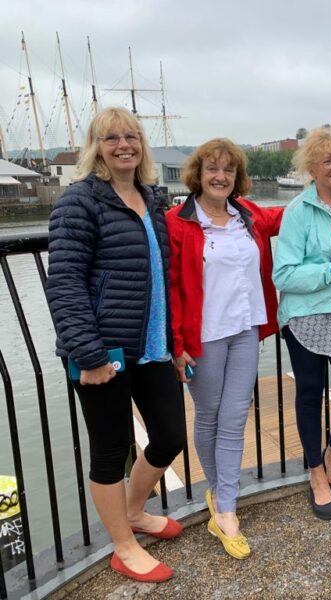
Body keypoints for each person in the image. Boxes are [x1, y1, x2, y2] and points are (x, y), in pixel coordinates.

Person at [46, 107, 184, 583]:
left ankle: (134, 512)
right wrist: (89, 354)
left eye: (131, 136)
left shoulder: (151, 197)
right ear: (97, 147)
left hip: (151, 347)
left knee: (170, 436)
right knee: (110, 449)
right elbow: (65, 282)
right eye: (111, 138)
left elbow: (160, 279)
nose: (124, 145)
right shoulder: (79, 202)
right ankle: (123, 547)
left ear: (141, 145)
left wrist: (172, 344)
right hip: (103, 351)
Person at [167, 139, 283, 559]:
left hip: (245, 329)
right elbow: (170, 287)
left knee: (234, 417)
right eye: (212, 169)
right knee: (210, 415)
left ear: (238, 177)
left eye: (228, 170)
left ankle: (226, 507)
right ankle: (219, 493)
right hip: (203, 336)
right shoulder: (176, 222)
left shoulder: (247, 214)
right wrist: (176, 345)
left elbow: (293, 215)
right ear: (198, 175)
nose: (220, 177)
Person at [272, 129, 331, 521]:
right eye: (327, 160)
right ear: (311, 168)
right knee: (310, 394)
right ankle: (316, 471)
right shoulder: (298, 211)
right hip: (307, 319)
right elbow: (283, 274)